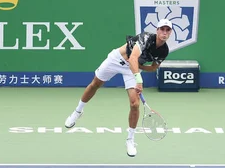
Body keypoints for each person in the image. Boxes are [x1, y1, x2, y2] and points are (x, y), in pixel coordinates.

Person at [64, 19, 173, 157]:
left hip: (131, 69)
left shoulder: (164, 51)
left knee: (135, 104)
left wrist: (139, 68)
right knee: (95, 84)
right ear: (157, 30)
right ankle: (78, 111)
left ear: (170, 33)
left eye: (167, 30)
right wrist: (138, 79)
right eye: (162, 29)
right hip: (117, 60)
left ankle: (130, 140)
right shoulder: (146, 37)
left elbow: (152, 67)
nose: (164, 32)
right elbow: (133, 57)